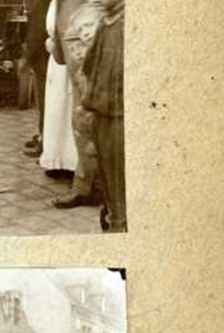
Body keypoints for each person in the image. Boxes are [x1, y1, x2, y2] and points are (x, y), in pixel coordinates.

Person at [53, 0, 106, 209]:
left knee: (88, 116)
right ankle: (89, 184)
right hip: (74, 37)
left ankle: (92, 186)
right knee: (81, 118)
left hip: (86, 39)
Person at [82, 0, 125, 232]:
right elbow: (89, 67)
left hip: (121, 120)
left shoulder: (129, 25)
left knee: (122, 189)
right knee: (110, 188)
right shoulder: (106, 23)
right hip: (101, 116)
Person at [39, 0, 79, 176]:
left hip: (71, 57)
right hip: (57, 59)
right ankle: (58, 160)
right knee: (56, 110)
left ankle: (74, 164)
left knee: (70, 108)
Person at [24, 0, 52, 157]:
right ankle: (43, 135)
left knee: (44, 100)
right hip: (44, 53)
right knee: (43, 100)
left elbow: (37, 25)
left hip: (42, 55)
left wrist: (28, 54)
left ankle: (45, 140)